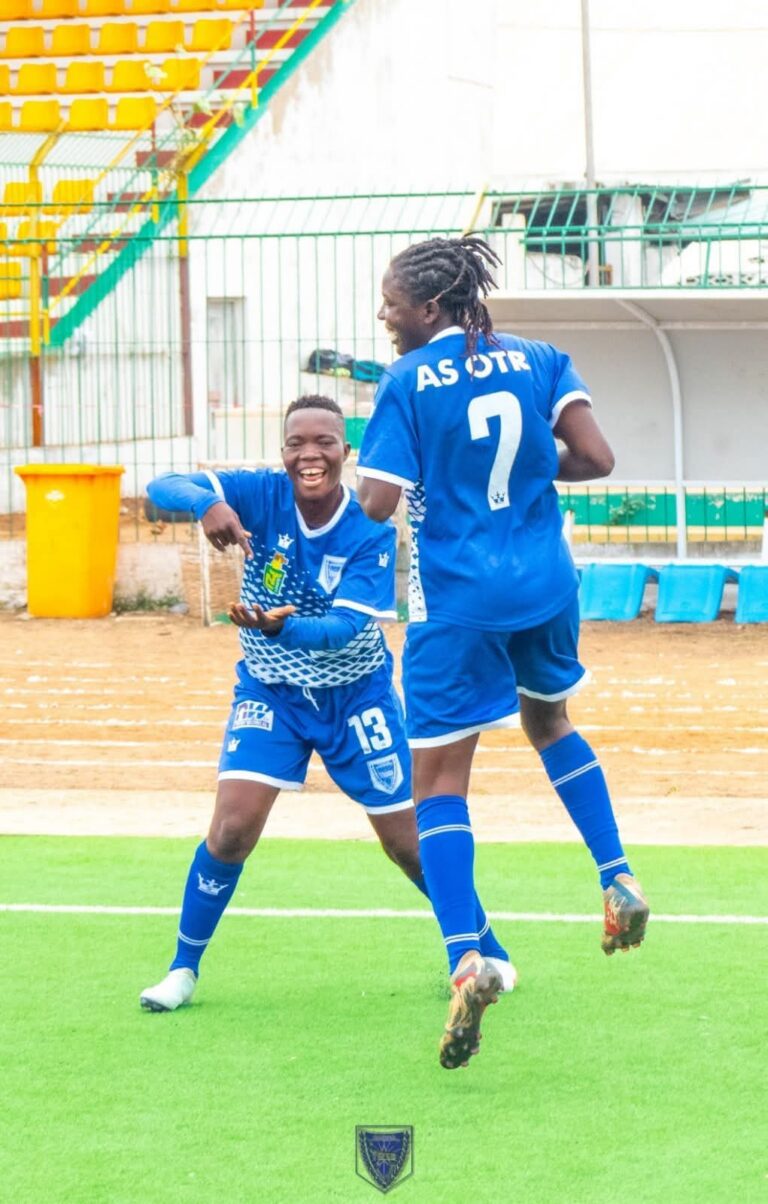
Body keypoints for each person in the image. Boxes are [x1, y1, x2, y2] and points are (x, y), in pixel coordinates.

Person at [356, 237, 650, 1070]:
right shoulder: (542, 358)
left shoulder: (407, 382)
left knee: (438, 780)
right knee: (549, 719)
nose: (384, 315)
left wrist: (363, 469)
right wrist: (527, 471)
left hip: (459, 598)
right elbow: (595, 458)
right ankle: (616, 872)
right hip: (547, 584)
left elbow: (377, 503)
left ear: (431, 308)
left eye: (392, 302)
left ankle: (465, 955)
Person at [139, 394, 514, 1013]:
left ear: (346, 452)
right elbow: (162, 484)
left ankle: (484, 951)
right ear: (282, 452)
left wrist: (278, 626)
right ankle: (182, 969)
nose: (309, 455)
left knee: (409, 844)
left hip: (355, 697)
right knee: (231, 829)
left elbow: (343, 629)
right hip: (271, 693)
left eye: (324, 443)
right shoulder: (258, 493)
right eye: (296, 444)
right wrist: (208, 501)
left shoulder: (370, 524)